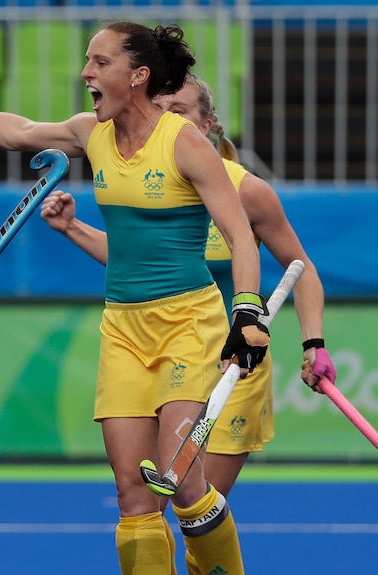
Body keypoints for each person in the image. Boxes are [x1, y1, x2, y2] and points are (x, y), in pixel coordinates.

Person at [0, 22, 270, 575]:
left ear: (138, 76)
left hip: (189, 322)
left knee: (182, 480)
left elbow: (239, 236)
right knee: (134, 494)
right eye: (87, 61)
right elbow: (18, 131)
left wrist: (247, 311)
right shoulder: (93, 133)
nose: (85, 72)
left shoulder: (184, 142)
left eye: (100, 62)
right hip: (123, 328)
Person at [35, 73, 338, 574]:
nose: (168, 120)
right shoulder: (157, 184)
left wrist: (315, 343)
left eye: (181, 111)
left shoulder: (248, 192)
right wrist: (72, 228)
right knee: (146, 502)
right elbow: (131, 260)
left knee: (190, 498)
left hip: (233, 367)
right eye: (163, 109)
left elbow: (300, 271)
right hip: (173, 355)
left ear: (209, 125)